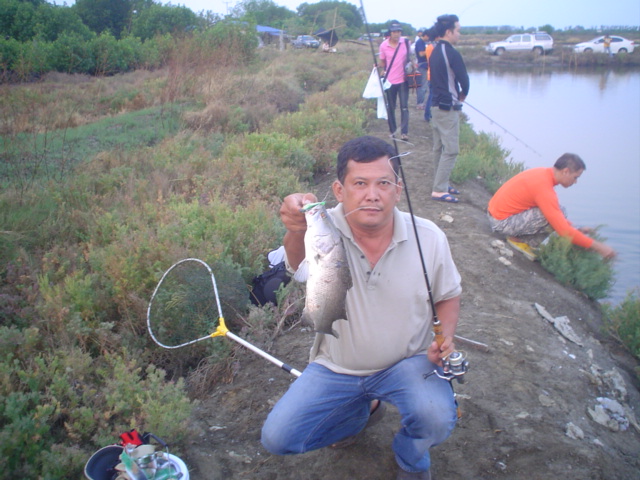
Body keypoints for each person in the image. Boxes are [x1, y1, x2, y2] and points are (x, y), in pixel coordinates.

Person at [261, 136, 462, 480]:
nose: (372, 194)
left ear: (398, 189)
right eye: (360, 183)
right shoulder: (323, 226)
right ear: (339, 191)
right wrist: (295, 227)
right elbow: (297, 264)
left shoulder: (429, 237)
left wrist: (446, 336)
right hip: (336, 366)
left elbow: (448, 294)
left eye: (383, 183)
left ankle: (411, 459)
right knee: (278, 438)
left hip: (408, 363)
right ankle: (362, 413)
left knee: (437, 418)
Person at [487, 153, 616, 260]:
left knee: (559, 212)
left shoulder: (542, 173)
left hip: (496, 215)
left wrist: (577, 228)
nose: (575, 182)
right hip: (501, 223)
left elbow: (556, 215)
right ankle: (519, 241)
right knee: (551, 216)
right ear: (566, 171)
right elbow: (563, 231)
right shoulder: (544, 188)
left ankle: (520, 240)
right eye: (575, 177)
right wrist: (599, 247)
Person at [429, 14, 469, 204]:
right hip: (447, 108)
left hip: (435, 106)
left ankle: (441, 183)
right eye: (458, 30)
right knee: (451, 149)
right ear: (448, 32)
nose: (459, 34)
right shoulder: (451, 52)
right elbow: (464, 80)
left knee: (439, 147)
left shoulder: (435, 50)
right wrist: (463, 94)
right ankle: (439, 189)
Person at [379, 23, 411, 141]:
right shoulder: (383, 46)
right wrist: (378, 67)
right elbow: (382, 62)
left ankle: (404, 132)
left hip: (403, 80)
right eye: (394, 32)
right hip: (389, 81)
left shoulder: (406, 43)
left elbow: (410, 58)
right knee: (391, 107)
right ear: (390, 33)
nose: (396, 34)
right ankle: (392, 131)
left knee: (404, 107)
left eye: (398, 31)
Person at [414, 29, 429, 110]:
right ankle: (420, 104)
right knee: (422, 86)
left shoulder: (422, 42)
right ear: (425, 35)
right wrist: (430, 50)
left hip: (423, 66)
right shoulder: (420, 42)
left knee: (423, 86)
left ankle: (421, 103)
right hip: (422, 66)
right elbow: (421, 53)